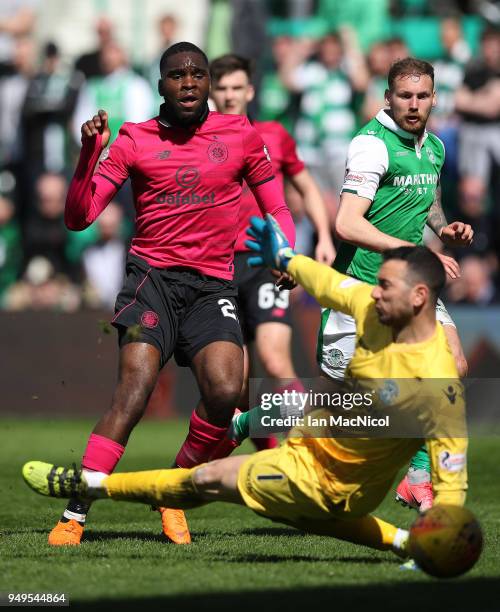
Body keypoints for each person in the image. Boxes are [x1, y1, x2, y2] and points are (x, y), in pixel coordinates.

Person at [22, 216, 468, 564]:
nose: (374, 294)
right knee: (315, 437)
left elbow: (453, 483)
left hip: (322, 476)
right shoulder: (372, 310)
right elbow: (331, 283)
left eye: (385, 286)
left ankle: (88, 486)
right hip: (315, 447)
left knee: (207, 478)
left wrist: (446, 536)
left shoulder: (439, 386)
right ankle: (403, 540)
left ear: (419, 298)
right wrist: (287, 258)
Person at [46, 41, 295, 548]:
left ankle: (172, 490)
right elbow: (79, 218)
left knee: (227, 393)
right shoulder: (134, 138)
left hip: (211, 288)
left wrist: (285, 254)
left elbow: (278, 209)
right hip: (149, 284)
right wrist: (87, 156)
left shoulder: (240, 135)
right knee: (133, 392)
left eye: (197, 74)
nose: (188, 82)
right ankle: (77, 512)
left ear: (208, 83)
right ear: (160, 84)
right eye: (176, 75)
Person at [228, 58, 473, 513]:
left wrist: (445, 230)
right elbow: (346, 223)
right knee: (341, 413)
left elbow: (430, 200)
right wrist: (417, 251)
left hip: (410, 291)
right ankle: (251, 421)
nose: (414, 104)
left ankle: (419, 477)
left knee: (451, 366)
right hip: (359, 293)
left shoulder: (433, 147)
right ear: (388, 97)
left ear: (435, 97)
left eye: (422, 96)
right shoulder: (370, 145)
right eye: (404, 96)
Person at [209, 53, 335, 453]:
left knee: (276, 362)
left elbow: (307, 187)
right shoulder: (202, 139)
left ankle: (316, 445)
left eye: (236, 87)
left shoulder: (274, 135)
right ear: (213, 93)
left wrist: (324, 238)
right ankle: (272, 460)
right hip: (218, 266)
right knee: (237, 384)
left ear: (250, 90)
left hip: (265, 261)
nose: (229, 96)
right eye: (222, 88)